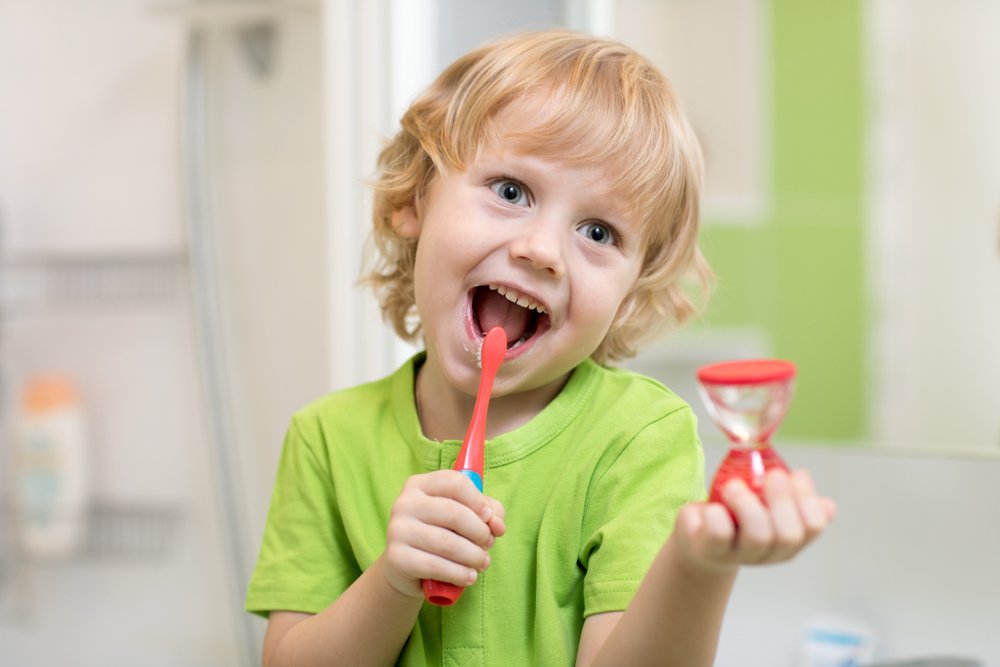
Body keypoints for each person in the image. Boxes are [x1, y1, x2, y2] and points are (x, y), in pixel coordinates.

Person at [245, 28, 836, 667]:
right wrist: (393, 581)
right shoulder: (328, 439)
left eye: (597, 231)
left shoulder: (638, 440)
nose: (542, 251)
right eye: (510, 191)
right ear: (415, 198)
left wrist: (698, 565)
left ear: (632, 290)